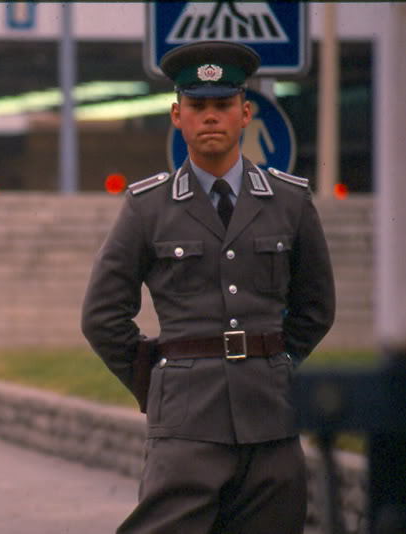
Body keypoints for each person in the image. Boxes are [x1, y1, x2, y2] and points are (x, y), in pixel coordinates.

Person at [81, 41, 335, 534]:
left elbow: (316, 307)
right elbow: (101, 316)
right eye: (198, 106)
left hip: (271, 424)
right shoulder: (147, 206)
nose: (211, 117)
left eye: (223, 106)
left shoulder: (289, 201)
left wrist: (274, 367)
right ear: (177, 116)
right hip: (186, 424)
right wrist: (159, 383)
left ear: (245, 113)